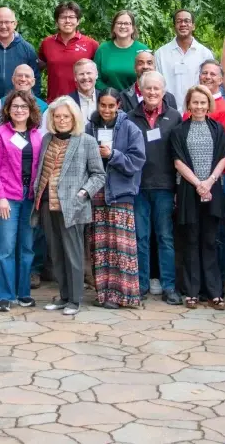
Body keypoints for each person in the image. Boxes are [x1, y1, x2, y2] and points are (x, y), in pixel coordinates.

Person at [36, 97, 106, 316]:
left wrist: (83, 194)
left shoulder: (86, 141)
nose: (61, 120)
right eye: (57, 116)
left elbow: (99, 175)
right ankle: (64, 296)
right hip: (48, 204)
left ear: (74, 118)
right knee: (56, 254)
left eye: (66, 116)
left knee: (73, 255)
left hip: (73, 207)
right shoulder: (47, 139)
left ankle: (75, 300)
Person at [86, 88, 146, 309]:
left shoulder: (130, 128)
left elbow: (137, 161)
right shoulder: (89, 127)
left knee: (121, 246)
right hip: (97, 194)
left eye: (111, 105)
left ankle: (125, 295)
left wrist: (112, 155)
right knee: (101, 247)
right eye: (103, 105)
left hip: (120, 193)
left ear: (119, 105)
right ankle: (104, 294)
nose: (107, 110)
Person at [170, 85, 225, 310]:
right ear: (188, 104)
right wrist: (198, 184)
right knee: (191, 241)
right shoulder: (179, 131)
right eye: (195, 102)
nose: (199, 106)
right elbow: (178, 161)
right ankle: (192, 292)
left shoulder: (218, 128)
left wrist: (209, 182)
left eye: (203, 102)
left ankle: (214, 292)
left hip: (213, 190)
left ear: (208, 104)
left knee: (210, 241)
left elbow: (223, 157)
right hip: (189, 191)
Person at [128, 71, 182, 305]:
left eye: (156, 89)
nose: (152, 92)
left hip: (164, 185)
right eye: (148, 88)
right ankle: (140, 285)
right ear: (140, 90)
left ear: (163, 91)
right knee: (140, 237)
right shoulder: (129, 117)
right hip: (138, 186)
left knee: (165, 237)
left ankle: (169, 285)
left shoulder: (174, 117)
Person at [0, 91, 44, 312]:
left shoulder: (38, 135)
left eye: (23, 106)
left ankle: (23, 293)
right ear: (7, 110)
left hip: (30, 196)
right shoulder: (0, 134)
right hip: (8, 197)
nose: (19, 110)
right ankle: (3, 295)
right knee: (6, 248)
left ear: (30, 110)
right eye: (15, 106)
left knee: (27, 247)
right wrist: (0, 197)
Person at [155, 9, 214, 112]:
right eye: (179, 21)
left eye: (187, 21)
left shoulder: (205, 54)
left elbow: (211, 84)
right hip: (167, 112)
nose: (183, 24)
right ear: (174, 26)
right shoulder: (161, 54)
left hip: (197, 112)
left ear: (193, 26)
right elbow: (156, 84)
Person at [38, 1, 99, 101]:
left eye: (71, 17)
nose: (67, 21)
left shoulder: (91, 44)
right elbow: (37, 71)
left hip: (83, 102)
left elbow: (98, 75)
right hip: (54, 102)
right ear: (57, 21)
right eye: (62, 17)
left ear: (78, 21)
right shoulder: (47, 43)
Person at [94, 10, 150, 90]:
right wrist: (110, 94)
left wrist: (128, 96)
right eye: (119, 23)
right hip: (108, 99)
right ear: (113, 27)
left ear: (133, 28)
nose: (123, 26)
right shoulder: (103, 49)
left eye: (127, 23)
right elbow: (96, 78)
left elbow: (148, 78)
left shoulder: (142, 50)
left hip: (136, 100)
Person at [184, 60, 225, 140]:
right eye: (204, 73)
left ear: (220, 80)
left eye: (213, 74)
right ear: (199, 76)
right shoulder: (190, 104)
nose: (208, 77)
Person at [67, 58, 99, 124]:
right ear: (75, 77)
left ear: (96, 75)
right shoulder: (67, 101)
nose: (85, 77)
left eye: (89, 73)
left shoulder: (104, 98)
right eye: (81, 74)